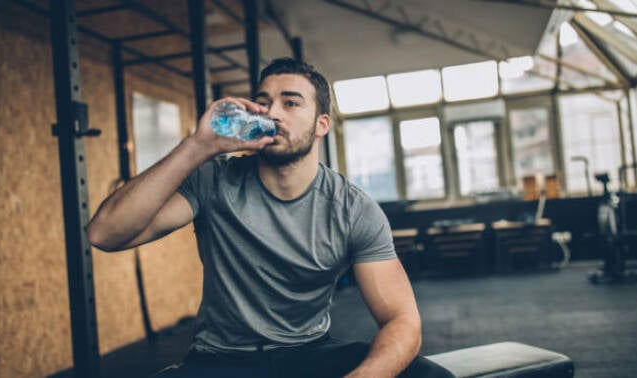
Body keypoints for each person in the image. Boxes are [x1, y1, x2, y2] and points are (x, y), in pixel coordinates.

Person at [87, 57, 446, 377]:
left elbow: (402, 320)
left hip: (308, 353)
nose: (272, 113)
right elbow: (105, 233)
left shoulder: (352, 209)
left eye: (290, 103)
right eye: (263, 103)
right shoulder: (214, 180)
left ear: (322, 124)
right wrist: (198, 145)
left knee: (429, 376)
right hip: (222, 360)